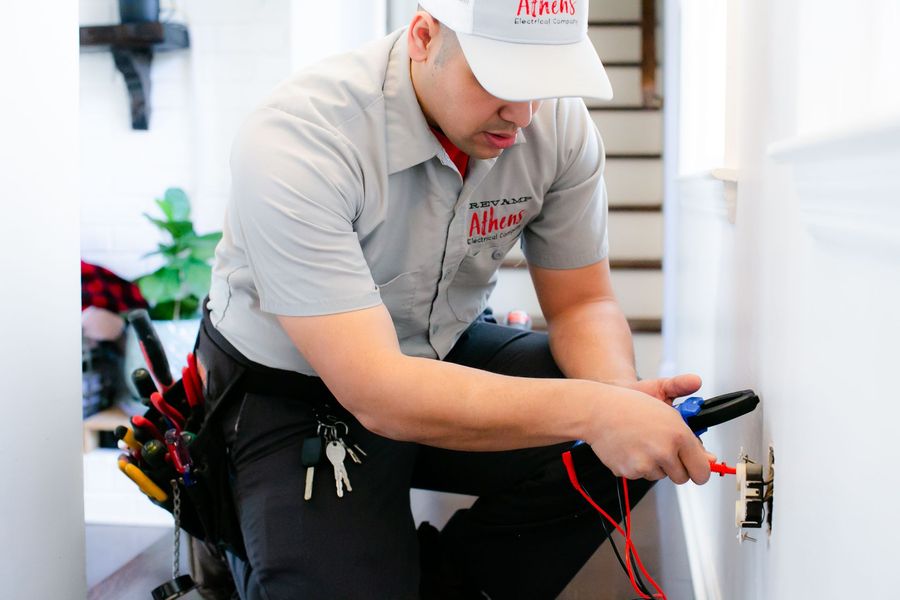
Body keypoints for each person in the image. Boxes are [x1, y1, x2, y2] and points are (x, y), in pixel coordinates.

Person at [197, 1, 715, 598]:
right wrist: (594, 411)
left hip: (439, 350)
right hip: (296, 385)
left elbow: (582, 304)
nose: (522, 114)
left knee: (631, 433)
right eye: (500, 79)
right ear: (423, 35)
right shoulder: (300, 140)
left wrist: (617, 400)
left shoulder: (556, 127)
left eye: (542, 81)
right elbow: (378, 391)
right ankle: (242, 533)